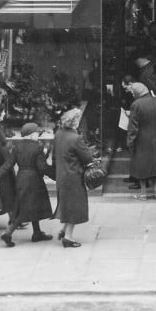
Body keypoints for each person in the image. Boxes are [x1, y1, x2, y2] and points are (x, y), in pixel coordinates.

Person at [0, 123, 53, 247]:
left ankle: (37, 233)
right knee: (25, 207)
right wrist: (54, 173)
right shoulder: (38, 147)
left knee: (31, 204)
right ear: (31, 134)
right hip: (34, 180)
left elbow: (8, 164)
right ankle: (8, 232)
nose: (38, 136)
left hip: (21, 178)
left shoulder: (17, 147)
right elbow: (42, 168)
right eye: (37, 133)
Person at [53, 106, 96, 248]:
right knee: (74, 207)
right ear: (75, 122)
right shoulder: (76, 138)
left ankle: (63, 230)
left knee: (67, 204)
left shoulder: (59, 134)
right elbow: (87, 156)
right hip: (73, 176)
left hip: (62, 175)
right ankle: (68, 237)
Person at [126, 81, 156, 201]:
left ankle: (143, 193)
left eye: (133, 92)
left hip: (141, 139)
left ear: (137, 92)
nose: (132, 94)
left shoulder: (136, 104)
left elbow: (133, 127)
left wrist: (130, 142)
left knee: (142, 167)